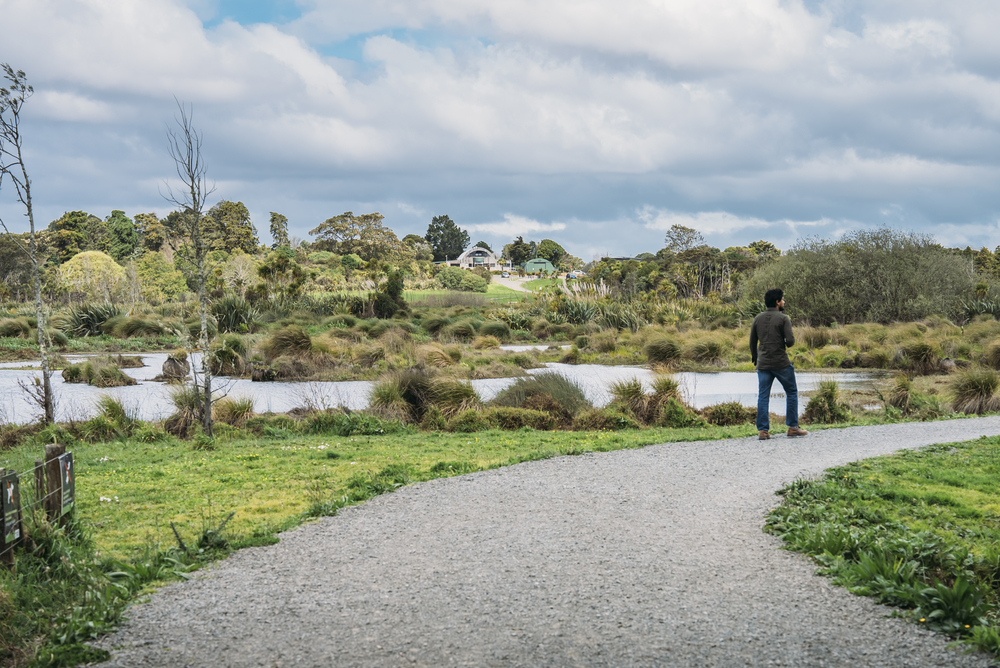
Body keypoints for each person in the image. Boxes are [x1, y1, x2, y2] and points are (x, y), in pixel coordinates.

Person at [749, 288, 808, 440]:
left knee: (763, 395)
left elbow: (752, 341)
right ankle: (793, 427)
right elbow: (790, 342)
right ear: (777, 302)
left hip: (763, 363)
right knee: (791, 391)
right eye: (782, 299)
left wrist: (756, 357)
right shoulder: (784, 318)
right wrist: (782, 341)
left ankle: (763, 430)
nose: (784, 302)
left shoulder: (758, 318)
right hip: (781, 362)